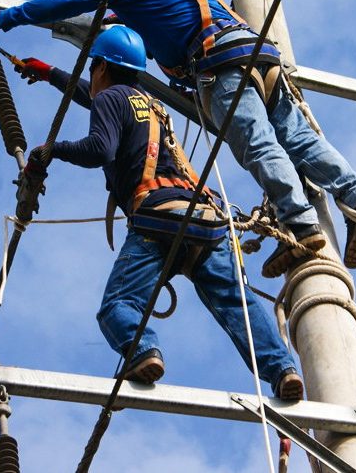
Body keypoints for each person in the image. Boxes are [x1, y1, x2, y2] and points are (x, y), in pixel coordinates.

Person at [0, 0, 356, 276]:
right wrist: (50, 72)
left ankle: (301, 226)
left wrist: (6, 18)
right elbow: (117, 75)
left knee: (259, 146)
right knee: (299, 139)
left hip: (221, 67)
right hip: (259, 58)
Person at [18, 25, 303, 399]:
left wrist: (51, 149)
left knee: (118, 307)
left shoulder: (110, 100)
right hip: (204, 219)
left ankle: (144, 352)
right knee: (238, 303)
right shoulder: (148, 103)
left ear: (101, 67)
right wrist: (50, 73)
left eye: (93, 69)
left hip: (157, 217)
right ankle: (282, 370)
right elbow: (96, 97)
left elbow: (100, 148)